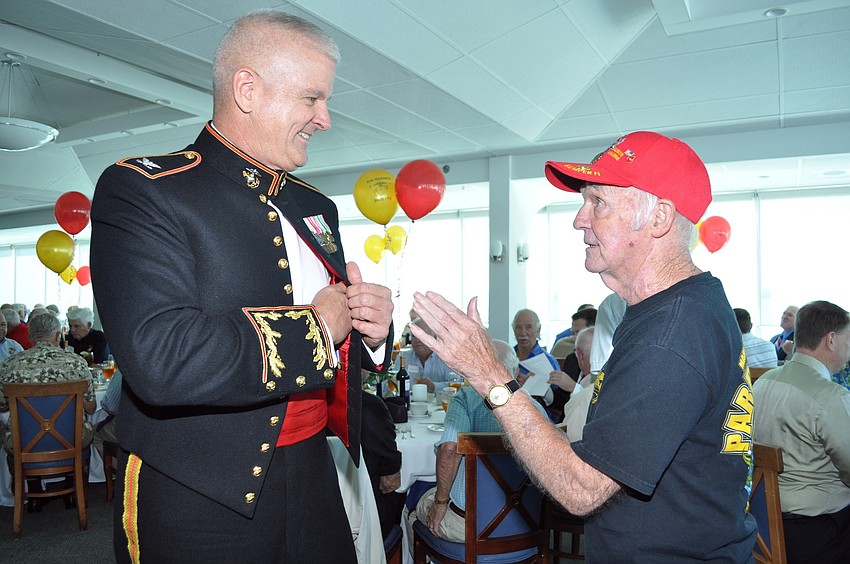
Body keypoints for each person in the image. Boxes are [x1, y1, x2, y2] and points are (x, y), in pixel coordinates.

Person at [89, 11, 394, 564]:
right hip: (195, 487)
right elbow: (159, 357)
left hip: (315, 471)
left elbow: (334, 343)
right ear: (247, 89)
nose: (324, 119)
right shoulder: (143, 189)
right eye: (311, 99)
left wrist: (370, 329)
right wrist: (320, 325)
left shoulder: (314, 206)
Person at [411, 131, 757, 561]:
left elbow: (580, 488)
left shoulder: (670, 334)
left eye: (599, 202)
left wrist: (489, 373)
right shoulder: (684, 305)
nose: (579, 218)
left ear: (659, 218)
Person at [408, 340, 547, 543]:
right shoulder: (535, 407)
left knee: (412, 512)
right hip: (527, 523)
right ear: (516, 371)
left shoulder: (465, 398)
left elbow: (449, 450)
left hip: (469, 526)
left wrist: (440, 503)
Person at [753, 300, 850, 563]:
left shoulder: (762, 382)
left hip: (762, 527)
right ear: (831, 339)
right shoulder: (830, 398)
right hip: (819, 534)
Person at [0, 313, 96, 512]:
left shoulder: (10, 365)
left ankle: (34, 493)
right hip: (71, 440)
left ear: (31, 337)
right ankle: (70, 491)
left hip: (23, 444)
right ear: (57, 335)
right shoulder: (77, 363)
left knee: (19, 431)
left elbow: (2, 405)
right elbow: (91, 407)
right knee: (80, 428)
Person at [360, 378, 405, 539]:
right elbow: (391, 480)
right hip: (367, 521)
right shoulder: (370, 406)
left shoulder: (306, 404)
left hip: (319, 520)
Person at [395, 310, 453, 393]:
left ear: (433, 337)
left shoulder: (446, 358)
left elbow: (456, 386)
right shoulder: (403, 358)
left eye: (422, 336)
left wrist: (434, 387)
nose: (417, 340)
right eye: (414, 336)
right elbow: (390, 385)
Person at [560, 326, 596, 442]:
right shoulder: (571, 363)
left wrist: (575, 388)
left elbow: (570, 442)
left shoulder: (583, 399)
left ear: (580, 355)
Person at [93, 368, 122, 459]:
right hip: (161, 434)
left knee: (94, 432)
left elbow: (110, 406)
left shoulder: (126, 365)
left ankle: (120, 472)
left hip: (135, 430)